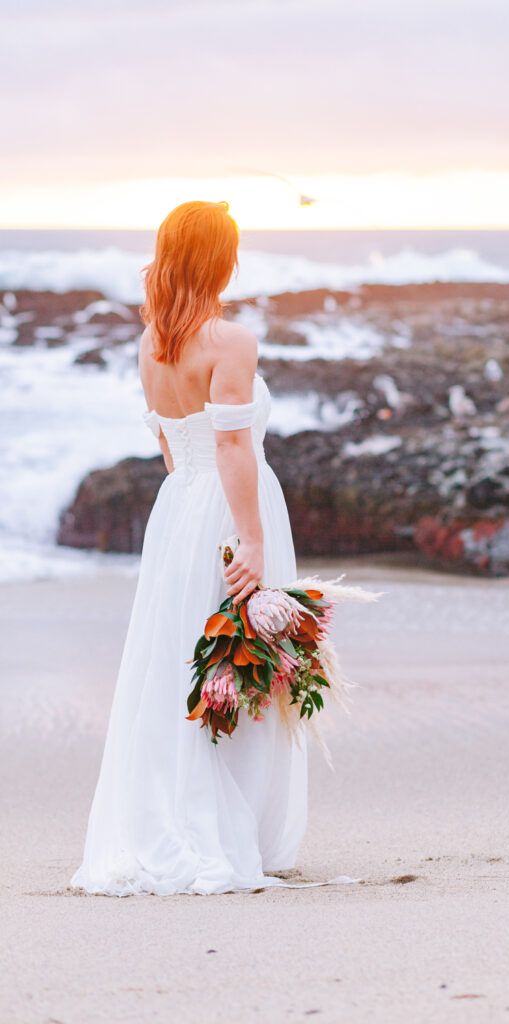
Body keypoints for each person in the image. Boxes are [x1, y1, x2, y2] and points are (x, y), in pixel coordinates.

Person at [70, 200, 308, 896]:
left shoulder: (152, 340)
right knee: (236, 661)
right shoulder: (229, 341)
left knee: (187, 659)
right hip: (229, 507)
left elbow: (171, 448)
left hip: (179, 510)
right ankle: (228, 829)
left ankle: (176, 814)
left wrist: (200, 514)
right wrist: (251, 539)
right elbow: (232, 442)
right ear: (222, 260)